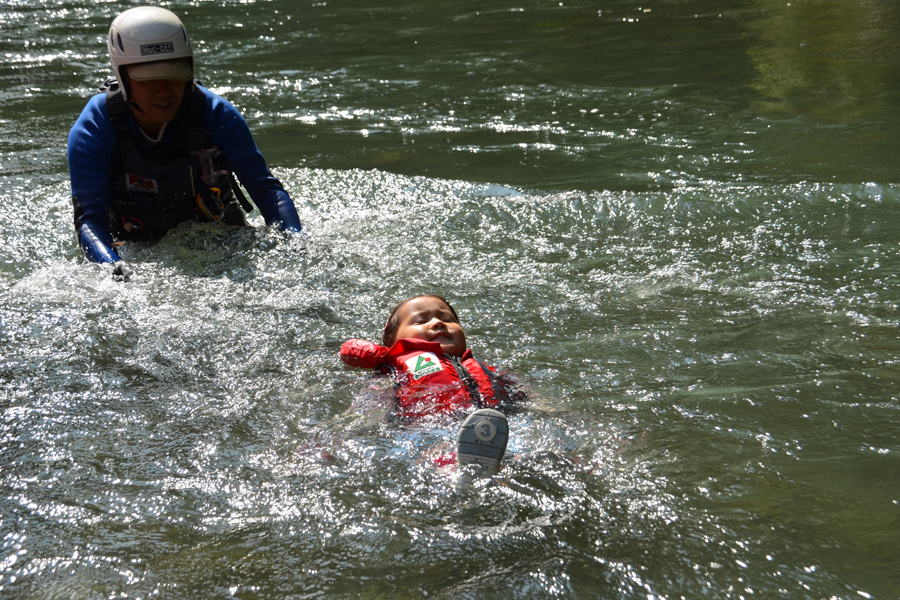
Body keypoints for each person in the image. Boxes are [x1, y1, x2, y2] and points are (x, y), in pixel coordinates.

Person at [67, 6, 302, 281]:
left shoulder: (218, 116)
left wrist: (296, 244)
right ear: (123, 77)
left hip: (222, 245)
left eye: (173, 74)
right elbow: (90, 222)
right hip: (135, 252)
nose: (164, 90)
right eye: (149, 79)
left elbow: (267, 191)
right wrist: (114, 267)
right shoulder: (93, 129)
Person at [339, 294, 525, 473]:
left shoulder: (485, 369)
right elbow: (365, 409)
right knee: (436, 451)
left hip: (496, 429)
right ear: (392, 341)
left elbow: (528, 399)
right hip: (428, 431)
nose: (438, 323)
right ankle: (456, 475)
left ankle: (497, 471)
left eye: (448, 319)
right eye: (420, 321)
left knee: (519, 451)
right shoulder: (394, 371)